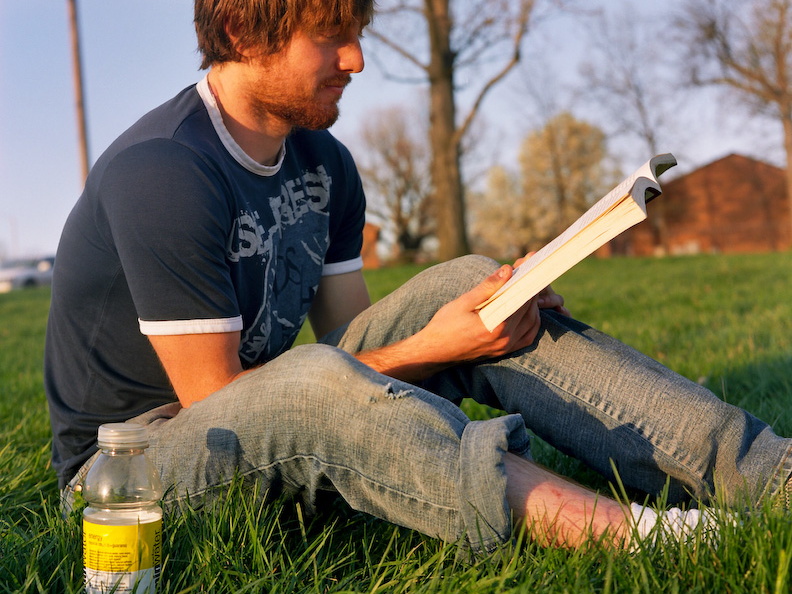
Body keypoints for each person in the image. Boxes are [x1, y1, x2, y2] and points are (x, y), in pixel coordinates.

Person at [46, 0, 791, 554]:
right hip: (136, 469)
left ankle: (768, 476)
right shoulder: (165, 172)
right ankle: (645, 538)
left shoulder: (323, 162)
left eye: (357, 32)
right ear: (243, 35)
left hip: (279, 411)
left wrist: (488, 312)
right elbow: (220, 407)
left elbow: (358, 343)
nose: (357, 60)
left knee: (472, 287)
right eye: (329, 35)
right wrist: (433, 346)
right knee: (313, 381)